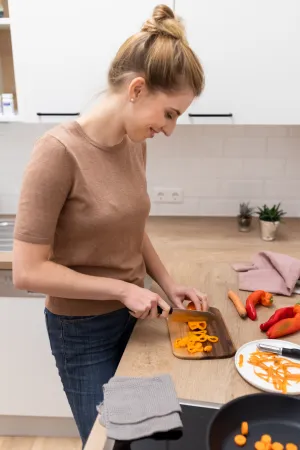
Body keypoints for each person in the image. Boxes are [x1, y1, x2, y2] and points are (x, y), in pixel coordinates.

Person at [12, 3, 207, 448]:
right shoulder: (58, 152)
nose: (170, 129)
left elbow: (129, 225)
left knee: (151, 438)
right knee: (117, 443)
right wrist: (123, 289)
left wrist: (167, 283)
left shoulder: (132, 142)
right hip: (83, 334)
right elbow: (27, 272)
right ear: (137, 89)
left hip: (134, 320)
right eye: (171, 113)